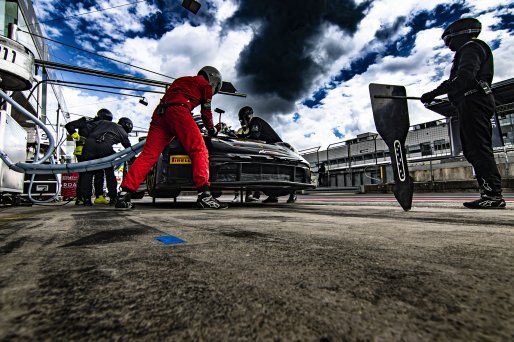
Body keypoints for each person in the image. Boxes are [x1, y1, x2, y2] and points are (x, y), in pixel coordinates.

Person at [420, 18, 505, 209]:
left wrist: (433, 93)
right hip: (472, 101)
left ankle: (493, 195)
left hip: (474, 100)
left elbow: (465, 76)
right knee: (473, 149)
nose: (448, 45)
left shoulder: (471, 47)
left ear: (459, 34)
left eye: (448, 40)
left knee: (478, 148)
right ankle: (490, 193)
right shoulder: (472, 48)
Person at [115, 66, 228, 210]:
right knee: (198, 149)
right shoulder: (205, 85)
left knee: (148, 155)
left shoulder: (181, 80)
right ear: (214, 80)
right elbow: (206, 111)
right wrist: (211, 129)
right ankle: (205, 195)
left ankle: (124, 194)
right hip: (179, 110)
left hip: (160, 113)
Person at [236, 106, 297, 204]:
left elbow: (254, 137)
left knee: (281, 173)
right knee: (270, 173)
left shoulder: (255, 121)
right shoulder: (253, 124)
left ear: (246, 117)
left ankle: (292, 194)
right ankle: (273, 196)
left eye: (242, 119)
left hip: (277, 149)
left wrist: (238, 137)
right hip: (270, 150)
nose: (243, 122)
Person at [64, 108, 113, 205]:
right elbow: (69, 125)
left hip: (96, 152)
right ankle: (83, 198)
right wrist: (77, 137)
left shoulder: (102, 127)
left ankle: (99, 197)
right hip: (83, 152)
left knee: (99, 172)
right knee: (86, 174)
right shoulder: (86, 121)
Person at [79, 118, 133, 205]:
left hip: (89, 146)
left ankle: (85, 199)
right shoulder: (123, 132)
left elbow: (86, 129)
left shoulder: (103, 121)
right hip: (105, 148)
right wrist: (133, 158)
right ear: (127, 125)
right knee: (109, 173)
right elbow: (129, 148)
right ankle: (113, 198)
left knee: (87, 173)